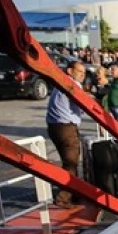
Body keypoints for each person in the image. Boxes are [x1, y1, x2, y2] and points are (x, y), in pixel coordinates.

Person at [45, 61, 87, 209]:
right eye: (79, 71)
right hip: (67, 127)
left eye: (84, 72)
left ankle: (75, 192)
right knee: (71, 163)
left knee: (68, 162)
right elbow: (84, 106)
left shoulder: (59, 83)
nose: (82, 75)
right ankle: (64, 197)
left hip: (54, 126)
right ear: (70, 71)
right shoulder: (74, 85)